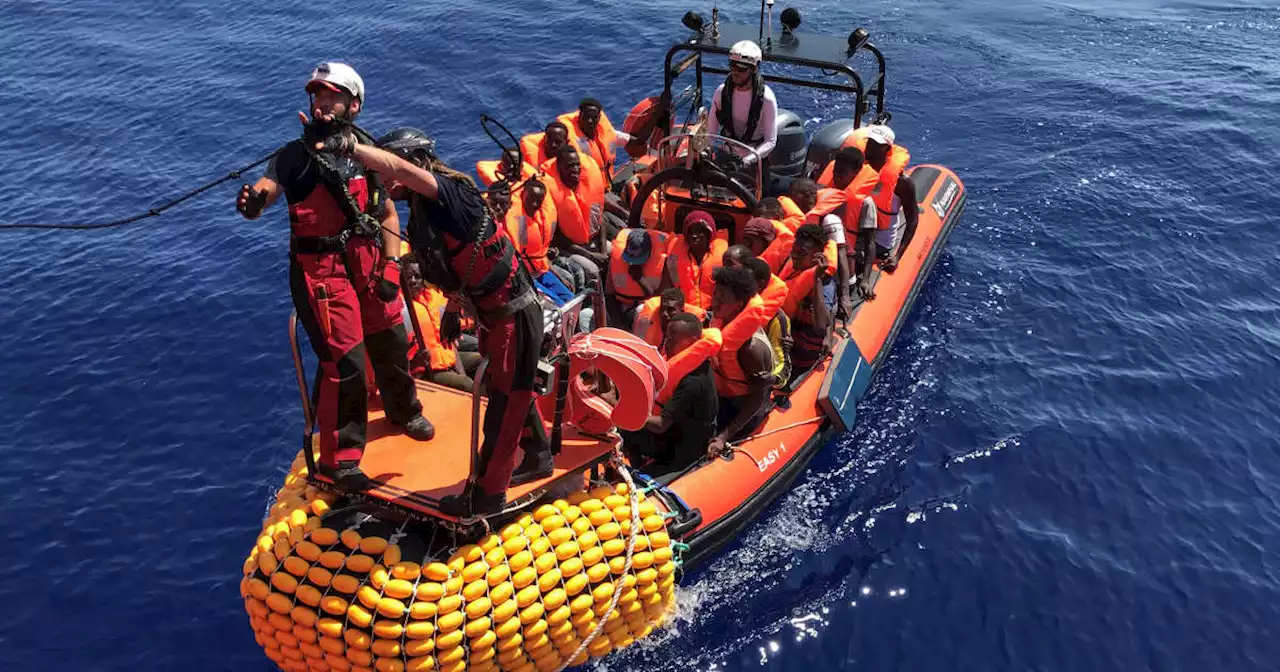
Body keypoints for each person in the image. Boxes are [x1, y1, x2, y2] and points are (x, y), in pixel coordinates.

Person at [321, 125, 551, 515]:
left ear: (415, 164)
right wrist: (456, 307)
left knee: (503, 408)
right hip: (495, 313)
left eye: (392, 172)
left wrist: (351, 147)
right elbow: (468, 260)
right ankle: (537, 454)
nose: (387, 182)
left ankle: (486, 495)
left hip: (514, 313)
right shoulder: (426, 214)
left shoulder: (450, 193)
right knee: (505, 389)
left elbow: (404, 172)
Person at [234, 63, 433, 490]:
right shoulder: (292, 157)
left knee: (393, 339)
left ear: (353, 104)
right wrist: (251, 203)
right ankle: (340, 461)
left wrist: (392, 265)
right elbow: (265, 194)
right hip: (321, 276)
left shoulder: (366, 151)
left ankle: (405, 410)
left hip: (368, 263)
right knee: (345, 362)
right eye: (318, 96)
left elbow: (386, 212)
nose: (322, 103)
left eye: (332, 96)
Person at [622, 312, 718, 481]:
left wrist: (621, 408)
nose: (667, 343)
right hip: (676, 432)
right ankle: (639, 462)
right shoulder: (695, 365)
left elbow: (661, 425)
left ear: (693, 342)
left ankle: (639, 470)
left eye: (674, 339)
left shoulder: (693, 382)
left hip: (683, 447)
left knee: (627, 427)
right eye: (667, 336)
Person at [708, 266, 775, 455]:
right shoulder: (719, 322)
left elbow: (757, 400)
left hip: (743, 409)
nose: (714, 302)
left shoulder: (750, 349)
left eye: (722, 299)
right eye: (715, 295)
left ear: (739, 304)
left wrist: (723, 436)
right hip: (723, 398)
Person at [401, 254, 482, 391]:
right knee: (467, 385)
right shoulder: (400, 307)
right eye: (408, 277)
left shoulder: (435, 299)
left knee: (481, 361)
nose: (413, 281)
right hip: (428, 370)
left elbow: (450, 342)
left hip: (448, 359)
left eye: (417, 276)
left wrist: (460, 372)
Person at [493, 179, 574, 306]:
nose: (535, 204)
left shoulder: (538, 220)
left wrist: (558, 275)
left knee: (571, 298)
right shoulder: (508, 224)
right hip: (523, 278)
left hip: (541, 271)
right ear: (523, 196)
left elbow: (539, 256)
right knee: (559, 304)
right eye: (531, 200)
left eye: (538, 201)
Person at [544, 145, 610, 290]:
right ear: (560, 167)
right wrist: (592, 256)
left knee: (617, 253)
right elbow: (559, 239)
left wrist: (604, 251)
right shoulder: (551, 196)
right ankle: (598, 305)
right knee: (592, 270)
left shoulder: (587, 185)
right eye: (569, 166)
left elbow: (600, 219)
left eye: (576, 165)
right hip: (572, 249)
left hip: (595, 242)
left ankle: (615, 293)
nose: (575, 169)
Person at [707, 40, 779, 172]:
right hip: (727, 154)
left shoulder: (767, 99)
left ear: (754, 69)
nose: (735, 72)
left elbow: (770, 141)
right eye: (732, 66)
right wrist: (705, 150)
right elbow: (711, 132)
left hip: (754, 159)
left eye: (741, 69)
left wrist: (747, 161)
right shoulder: (721, 92)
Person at [778, 225, 835, 375]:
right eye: (794, 250)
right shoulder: (793, 270)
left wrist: (816, 280)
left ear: (817, 257)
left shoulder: (825, 284)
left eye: (802, 253)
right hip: (785, 347)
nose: (795, 256)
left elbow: (822, 326)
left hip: (803, 356)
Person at [863, 125, 919, 272]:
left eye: (876, 145)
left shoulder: (902, 183)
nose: (870, 147)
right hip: (857, 230)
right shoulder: (861, 168)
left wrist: (897, 255)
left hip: (879, 239)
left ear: (887, 150)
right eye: (869, 142)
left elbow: (912, 220)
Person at [662, 210, 726, 310]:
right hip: (683, 312)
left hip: (713, 313)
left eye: (700, 231)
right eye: (691, 232)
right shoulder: (674, 258)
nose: (694, 236)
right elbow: (665, 288)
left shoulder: (724, 258)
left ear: (709, 234)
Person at [559, 98, 632, 184]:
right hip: (588, 188)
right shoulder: (571, 143)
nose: (590, 121)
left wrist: (639, 142)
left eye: (594, 118)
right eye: (586, 117)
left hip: (607, 184)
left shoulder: (605, 133)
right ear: (579, 117)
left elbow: (620, 137)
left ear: (599, 118)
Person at [745, 257, 792, 390]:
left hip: (755, 386)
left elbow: (785, 366)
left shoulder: (778, 319)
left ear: (760, 284)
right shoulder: (731, 303)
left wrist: (772, 378)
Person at [606, 227, 668, 328]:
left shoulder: (662, 261)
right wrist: (618, 323)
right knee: (586, 314)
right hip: (620, 307)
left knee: (641, 311)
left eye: (638, 260)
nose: (632, 263)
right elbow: (609, 294)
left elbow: (658, 301)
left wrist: (640, 280)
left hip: (645, 308)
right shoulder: (616, 256)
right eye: (629, 259)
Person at [632, 287, 706, 348]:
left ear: (682, 311)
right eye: (662, 308)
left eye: (670, 310)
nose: (665, 313)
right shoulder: (645, 318)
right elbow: (638, 346)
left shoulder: (693, 328)